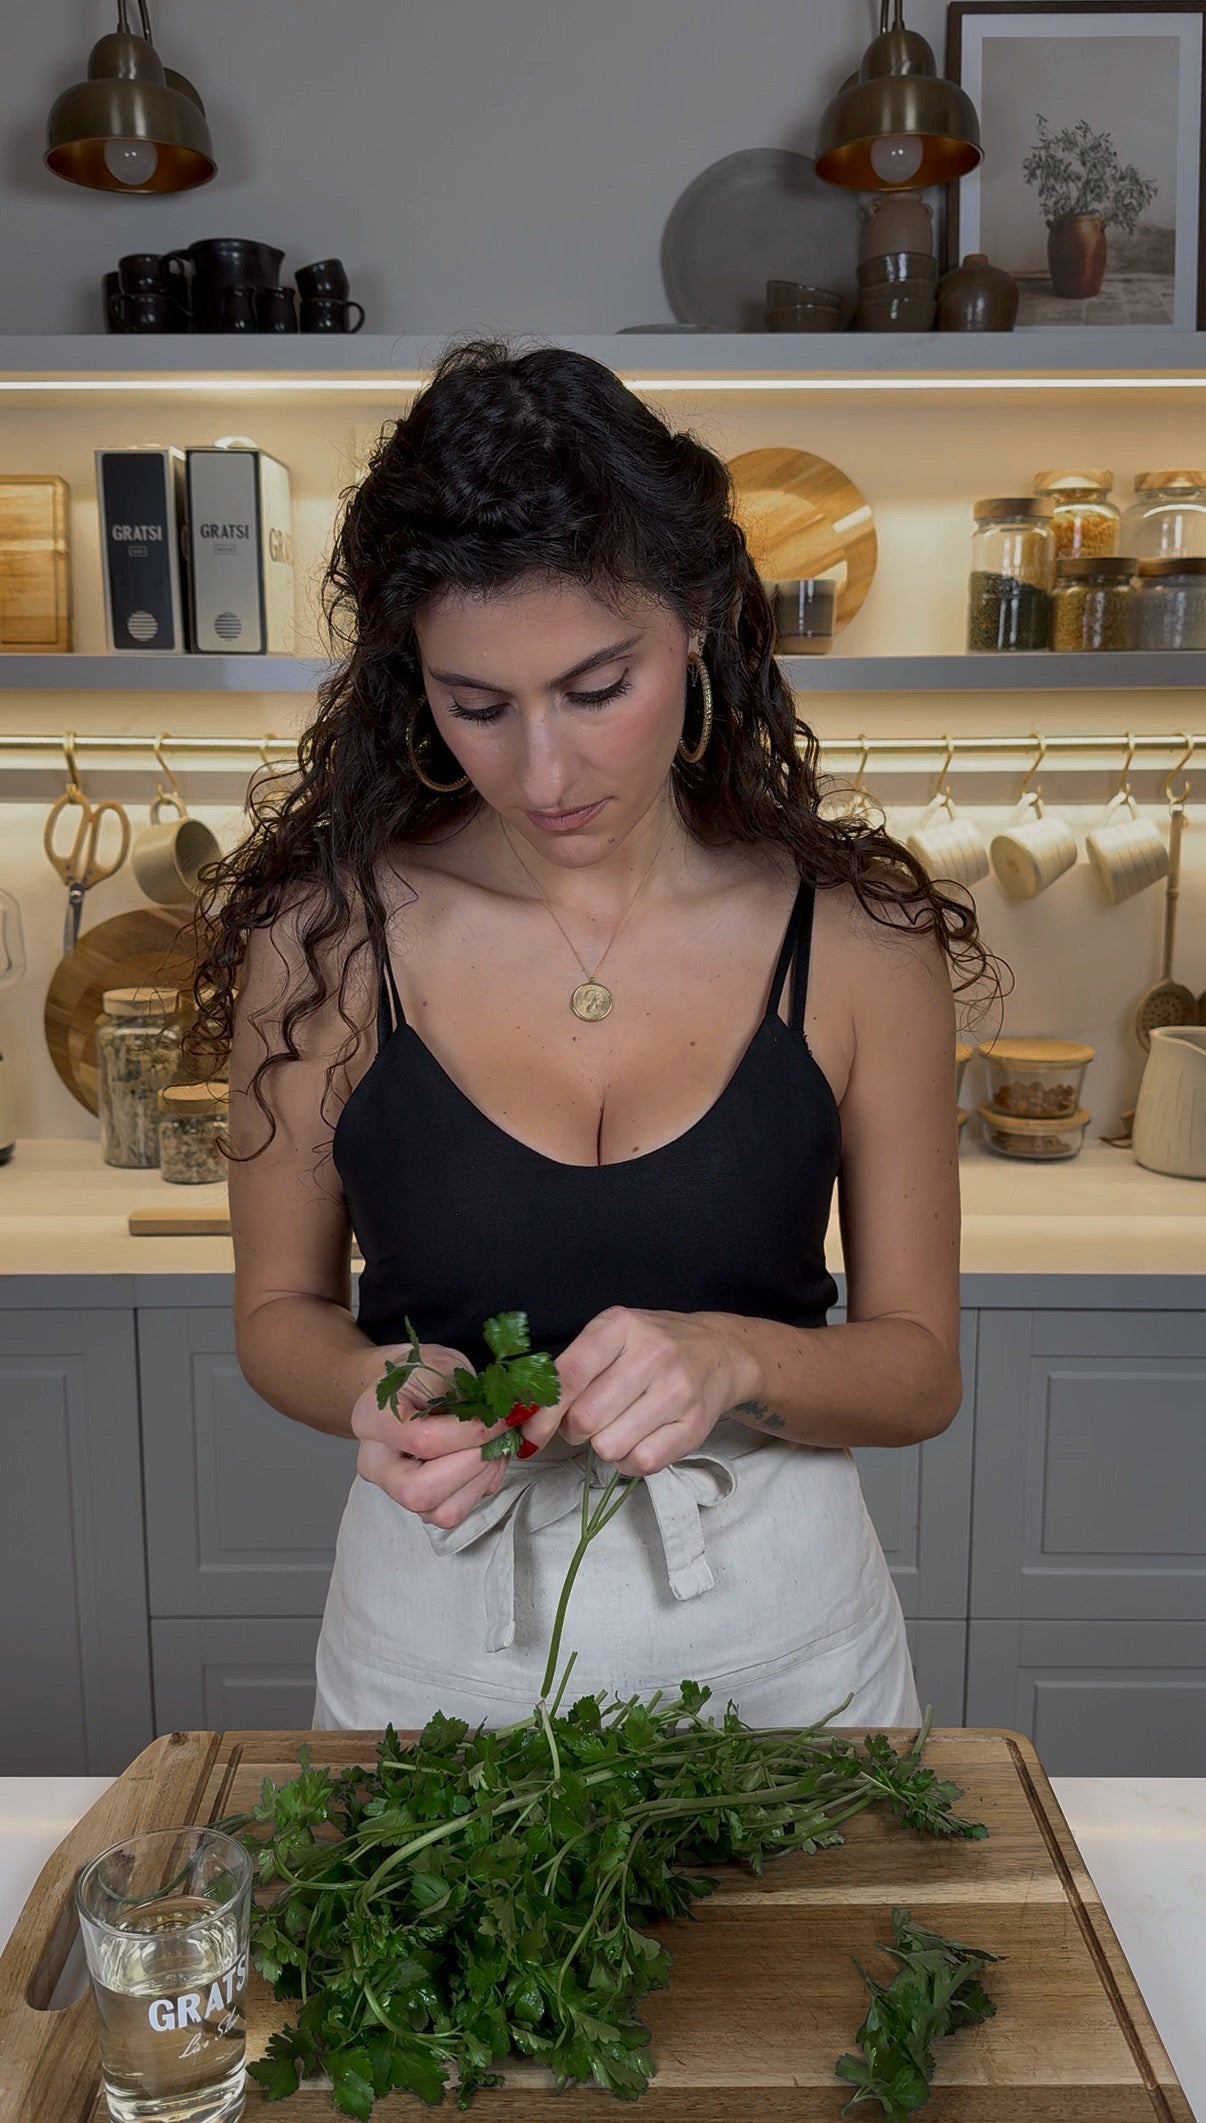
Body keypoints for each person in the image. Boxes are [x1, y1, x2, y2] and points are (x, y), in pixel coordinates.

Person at [189, 336, 1002, 1736]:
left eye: (593, 688)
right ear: (411, 680)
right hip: (434, 1641)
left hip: (786, 1648)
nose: (543, 775)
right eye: (477, 707)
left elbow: (915, 1368)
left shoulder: (858, 942)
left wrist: (737, 1360)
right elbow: (276, 1317)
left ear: (695, 617)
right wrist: (375, 1383)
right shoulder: (321, 945)